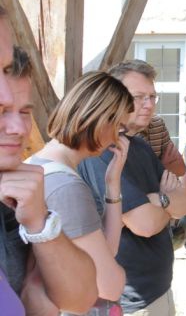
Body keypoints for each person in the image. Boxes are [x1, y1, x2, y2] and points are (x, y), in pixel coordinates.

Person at [79, 59, 186, 316]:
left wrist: (157, 200)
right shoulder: (100, 152)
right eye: (139, 97)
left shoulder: (139, 146)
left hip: (159, 290)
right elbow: (146, 224)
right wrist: (165, 199)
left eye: (152, 97)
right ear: (113, 98)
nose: (149, 104)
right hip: (127, 301)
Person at [0, 34, 98, 316]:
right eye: (1, 110)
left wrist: (40, 223)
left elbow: (80, 297)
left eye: (24, 112)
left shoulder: (17, 188)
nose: (19, 128)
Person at [26, 70, 133, 315]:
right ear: (102, 120)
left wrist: (112, 183)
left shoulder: (37, 165)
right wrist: (118, 274)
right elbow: (109, 286)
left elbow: (107, 249)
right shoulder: (66, 187)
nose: (118, 138)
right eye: (120, 128)